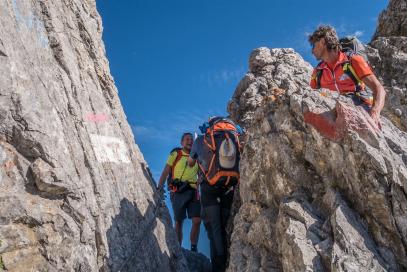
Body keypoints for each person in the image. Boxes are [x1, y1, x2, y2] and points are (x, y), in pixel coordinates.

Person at [188, 117, 242, 272]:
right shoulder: (232, 136)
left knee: (214, 227)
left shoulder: (201, 140)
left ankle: (219, 266)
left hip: (209, 187)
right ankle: (228, 260)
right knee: (224, 224)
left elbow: (191, 163)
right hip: (229, 185)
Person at [308, 25, 386, 127]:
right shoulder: (318, 72)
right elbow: (310, 94)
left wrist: (375, 112)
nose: (312, 51)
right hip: (334, 108)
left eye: (314, 45)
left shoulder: (352, 60)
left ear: (323, 42)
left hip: (360, 105)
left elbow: (379, 89)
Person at [157, 132, 201, 252]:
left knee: (197, 220)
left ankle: (193, 248)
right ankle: (178, 248)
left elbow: (202, 173)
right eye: (187, 139)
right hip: (178, 190)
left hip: (193, 190)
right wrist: (159, 187)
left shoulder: (197, 156)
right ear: (182, 142)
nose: (190, 141)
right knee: (179, 221)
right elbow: (166, 170)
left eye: (191, 139)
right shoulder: (176, 154)